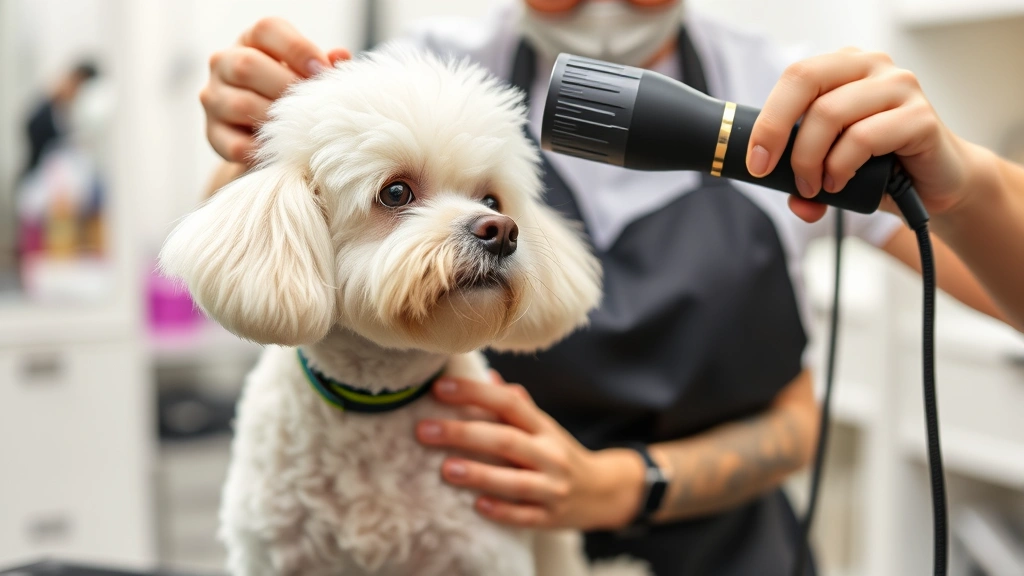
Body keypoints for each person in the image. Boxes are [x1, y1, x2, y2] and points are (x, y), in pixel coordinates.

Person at [196, 2, 1024, 574]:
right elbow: (267, 254)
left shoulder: (787, 98)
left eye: (491, 202)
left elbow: (800, 424)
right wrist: (243, 146)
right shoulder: (422, 73)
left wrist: (968, 186)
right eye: (402, 195)